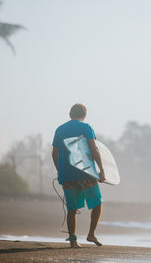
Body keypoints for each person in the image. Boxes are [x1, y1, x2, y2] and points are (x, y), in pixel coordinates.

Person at [52, 103, 106, 248]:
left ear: (70, 114)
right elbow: (94, 148)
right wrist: (101, 169)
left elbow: (54, 153)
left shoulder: (60, 129)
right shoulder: (86, 127)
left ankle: (73, 240)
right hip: (85, 173)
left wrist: (60, 171)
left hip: (67, 176)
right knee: (97, 203)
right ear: (84, 115)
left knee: (72, 208)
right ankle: (91, 234)